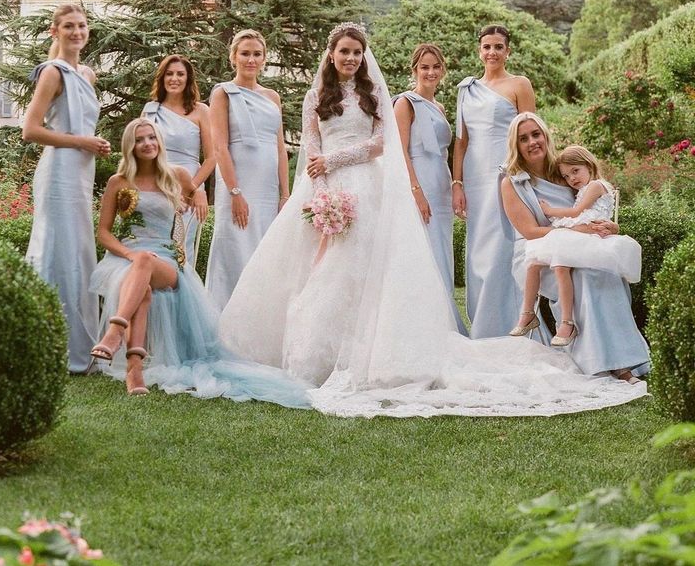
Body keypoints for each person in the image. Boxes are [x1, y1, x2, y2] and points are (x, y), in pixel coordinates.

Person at [220, 23, 645, 418]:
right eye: (344, 52)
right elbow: (311, 144)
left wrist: (335, 158)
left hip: (365, 183)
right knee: (322, 268)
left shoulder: (375, 95)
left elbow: (379, 145)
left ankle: (374, 350)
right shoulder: (316, 97)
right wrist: (321, 181)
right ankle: (314, 353)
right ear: (331, 54)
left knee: (368, 266)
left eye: (357, 52)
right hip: (326, 187)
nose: (350, 58)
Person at [90, 119, 310, 407]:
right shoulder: (118, 183)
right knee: (140, 283)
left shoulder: (177, 176)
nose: (147, 144)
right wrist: (130, 254)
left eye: (152, 138)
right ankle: (135, 370)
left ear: (159, 143)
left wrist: (200, 193)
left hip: (167, 261)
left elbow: (197, 194)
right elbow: (103, 232)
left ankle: (115, 331)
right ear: (130, 146)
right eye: (140, 139)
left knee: (145, 262)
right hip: (127, 259)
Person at [501, 114, 649, 382]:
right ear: (516, 145)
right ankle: (597, 363)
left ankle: (624, 362)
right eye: (523, 138)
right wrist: (576, 232)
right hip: (539, 253)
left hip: (577, 244)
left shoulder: (564, 172)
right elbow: (530, 232)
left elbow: (591, 210)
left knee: (602, 273)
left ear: (545, 135)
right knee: (583, 276)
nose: (532, 142)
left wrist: (610, 227)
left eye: (536, 134)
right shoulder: (512, 182)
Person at [22, 3, 110, 374]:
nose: (77, 32)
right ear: (54, 32)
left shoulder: (86, 74)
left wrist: (95, 144)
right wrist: (80, 143)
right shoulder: (52, 73)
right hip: (58, 173)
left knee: (78, 255)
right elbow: (30, 130)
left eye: (82, 26)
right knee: (56, 253)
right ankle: (46, 347)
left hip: (80, 174)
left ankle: (80, 345)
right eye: (69, 26)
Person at [453, 25, 536, 338]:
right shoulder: (466, 89)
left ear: (508, 51)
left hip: (507, 173)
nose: (492, 52)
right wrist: (457, 183)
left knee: (505, 247)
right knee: (477, 250)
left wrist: (530, 176)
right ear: (479, 50)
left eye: (498, 47)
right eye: (486, 47)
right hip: (474, 177)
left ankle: (511, 324)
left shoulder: (519, 84)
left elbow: (531, 134)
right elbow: (461, 142)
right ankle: (482, 325)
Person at [205, 30, 289, 310]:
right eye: (245, 53)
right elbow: (219, 148)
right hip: (237, 185)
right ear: (233, 57)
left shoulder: (273, 97)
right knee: (234, 249)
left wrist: (285, 193)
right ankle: (225, 321)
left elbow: (280, 148)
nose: (251, 59)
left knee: (263, 254)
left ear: (264, 59)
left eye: (256, 54)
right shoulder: (222, 93)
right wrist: (235, 192)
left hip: (267, 189)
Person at [393, 44, 466, 333]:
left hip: (441, 184)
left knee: (441, 253)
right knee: (422, 254)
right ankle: (421, 328)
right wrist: (415, 190)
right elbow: (400, 151)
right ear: (415, 70)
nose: (430, 72)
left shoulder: (440, 108)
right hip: (418, 184)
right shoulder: (405, 103)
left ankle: (443, 323)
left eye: (436, 66)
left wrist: (454, 186)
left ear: (443, 70)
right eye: (424, 67)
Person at [142, 54, 214, 265]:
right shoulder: (150, 109)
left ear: (188, 79)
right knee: (152, 247)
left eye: (180, 74)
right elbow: (140, 153)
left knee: (179, 249)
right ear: (162, 78)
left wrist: (193, 189)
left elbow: (211, 158)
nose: (174, 78)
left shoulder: (201, 111)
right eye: (169, 74)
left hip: (188, 184)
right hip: (155, 183)